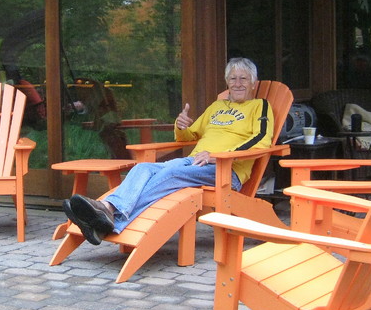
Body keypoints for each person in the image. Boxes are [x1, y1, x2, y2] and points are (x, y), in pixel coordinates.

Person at [61, 57, 273, 245]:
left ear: (253, 83)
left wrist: (217, 155)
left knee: (169, 174)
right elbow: (189, 136)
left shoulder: (260, 106)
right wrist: (181, 126)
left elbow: (262, 139)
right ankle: (107, 208)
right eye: (233, 78)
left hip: (226, 169)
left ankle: (109, 216)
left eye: (243, 79)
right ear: (227, 83)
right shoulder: (216, 108)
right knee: (143, 167)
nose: (237, 83)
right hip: (194, 163)